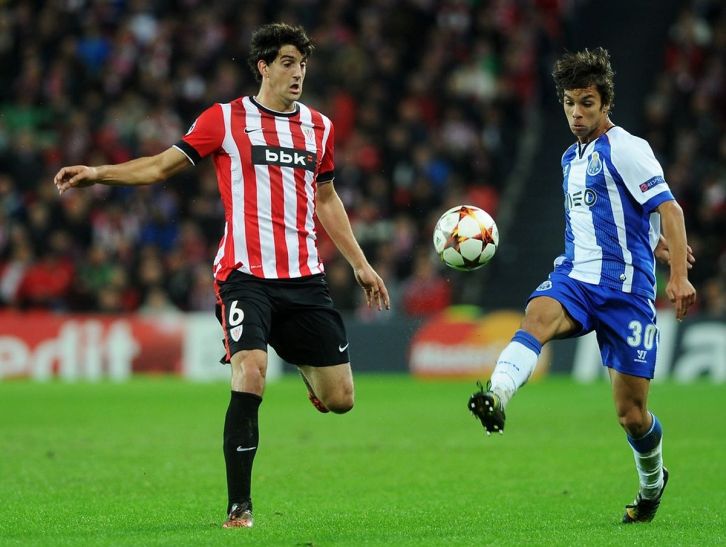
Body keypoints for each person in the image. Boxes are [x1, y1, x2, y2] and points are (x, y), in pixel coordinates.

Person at [54, 22, 390, 529]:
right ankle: (239, 507)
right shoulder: (225, 119)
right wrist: (98, 173)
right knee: (250, 371)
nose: (297, 73)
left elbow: (326, 198)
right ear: (263, 67)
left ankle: (299, 360)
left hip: (303, 278)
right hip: (244, 275)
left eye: (302, 64)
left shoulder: (319, 128)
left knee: (340, 400)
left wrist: (360, 264)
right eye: (287, 63)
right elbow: (160, 166)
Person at [467, 47, 696, 524]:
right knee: (536, 318)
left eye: (587, 103)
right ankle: (496, 395)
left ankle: (652, 484)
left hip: (627, 293)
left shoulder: (627, 148)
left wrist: (678, 275)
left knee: (632, 415)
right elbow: (605, 217)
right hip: (576, 277)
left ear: (605, 103)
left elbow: (669, 209)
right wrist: (651, 240)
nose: (577, 113)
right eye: (570, 103)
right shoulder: (569, 158)